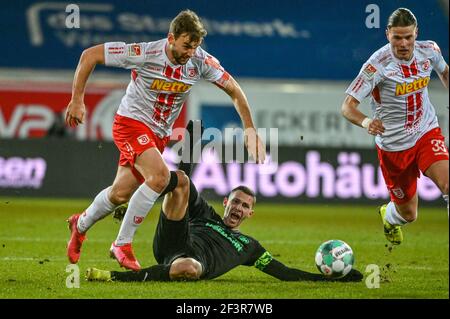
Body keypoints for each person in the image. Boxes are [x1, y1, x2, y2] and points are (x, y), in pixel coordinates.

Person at [65, 9, 266, 271]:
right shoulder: (145, 53)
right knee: (160, 178)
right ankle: (121, 244)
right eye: (186, 46)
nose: (190, 53)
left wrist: (250, 130)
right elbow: (89, 55)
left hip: (157, 136)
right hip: (130, 124)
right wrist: (77, 99)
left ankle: (79, 225)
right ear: (171, 38)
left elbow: (235, 91)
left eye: (195, 47)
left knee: (120, 193)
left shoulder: (201, 61)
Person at [85, 169, 363, 283]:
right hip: (171, 241)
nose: (238, 209)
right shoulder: (207, 215)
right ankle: (133, 203)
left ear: (250, 213)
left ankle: (113, 275)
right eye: (235, 202)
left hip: (190, 261)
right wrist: (192, 144)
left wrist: (332, 279)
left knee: (189, 268)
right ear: (227, 201)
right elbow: (184, 185)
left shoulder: (249, 247)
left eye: (244, 206)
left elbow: (285, 272)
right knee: (180, 179)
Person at [341, 8, 449, 245]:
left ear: (416, 33)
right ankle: (388, 217)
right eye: (397, 37)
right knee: (408, 214)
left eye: (408, 37)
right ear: (387, 33)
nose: (403, 43)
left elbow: (445, 72)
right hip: (394, 146)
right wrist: (367, 122)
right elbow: (347, 107)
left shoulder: (429, 50)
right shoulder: (376, 66)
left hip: (425, 131)